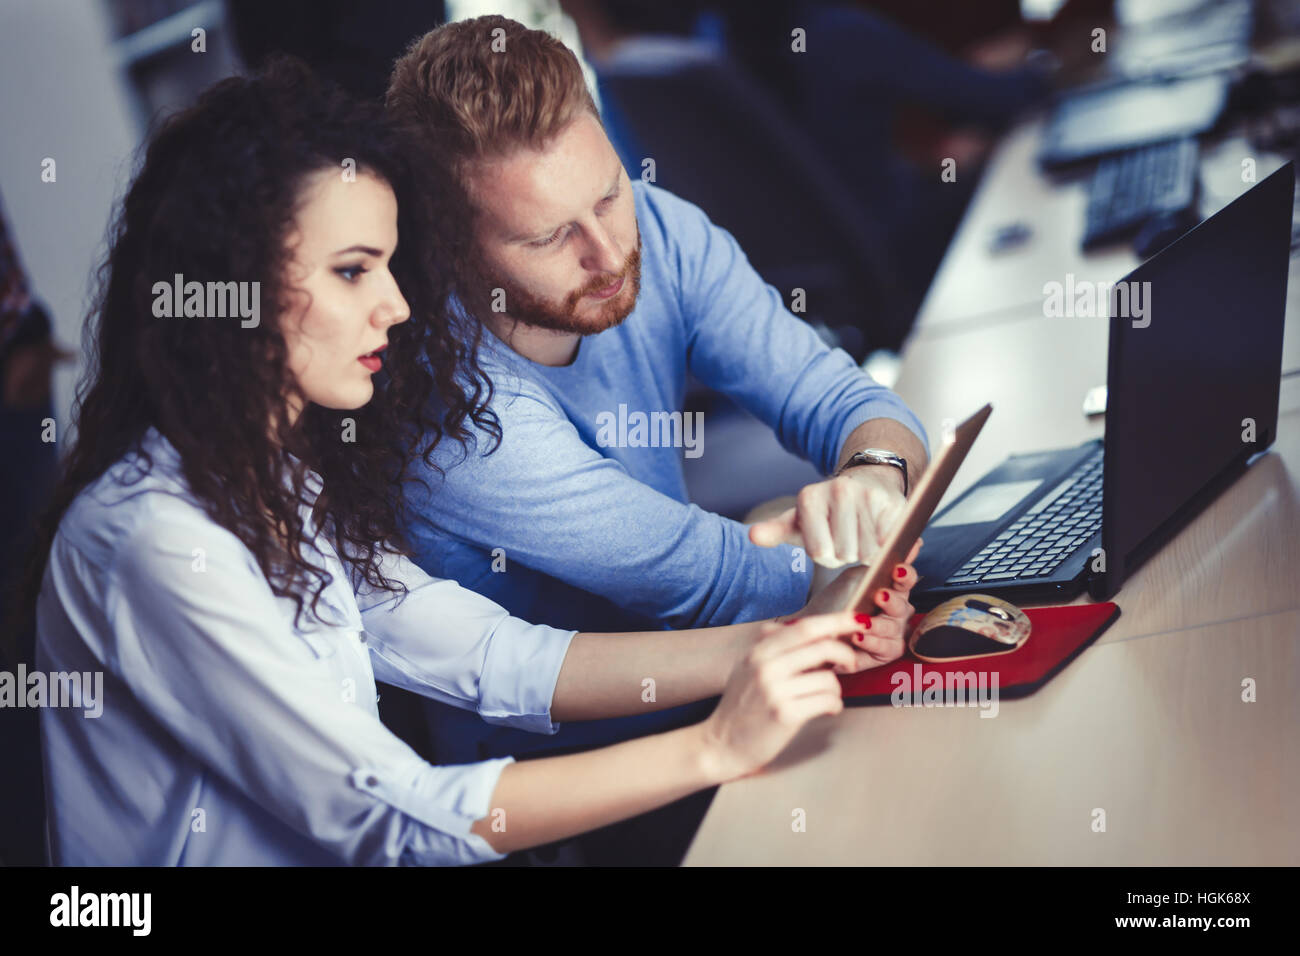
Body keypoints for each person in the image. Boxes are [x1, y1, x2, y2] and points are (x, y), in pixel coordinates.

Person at [19, 58, 921, 866]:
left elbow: (499, 658)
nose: (399, 307)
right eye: (353, 272)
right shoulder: (151, 541)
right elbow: (387, 818)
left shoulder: (278, 480)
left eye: (388, 266)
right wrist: (719, 745)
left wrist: (783, 646)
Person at [384, 16, 930, 763]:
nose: (607, 254)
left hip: (740, 681)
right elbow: (714, 580)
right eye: (548, 238)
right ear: (448, 243)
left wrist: (879, 476)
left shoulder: (661, 231)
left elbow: (839, 397)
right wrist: (888, 564)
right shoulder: (454, 412)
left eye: (608, 196)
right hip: (601, 776)